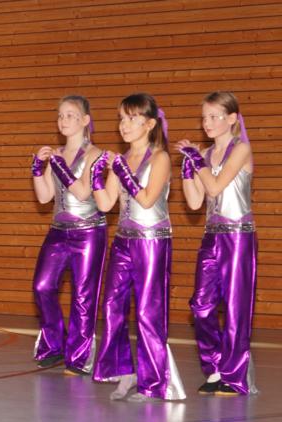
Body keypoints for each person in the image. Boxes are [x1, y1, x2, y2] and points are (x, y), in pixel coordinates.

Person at [91, 93, 186, 402]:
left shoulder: (159, 158)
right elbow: (106, 204)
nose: (124, 124)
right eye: (122, 118)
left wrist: (120, 170)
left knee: (147, 310)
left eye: (132, 118)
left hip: (152, 241)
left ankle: (153, 381)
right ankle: (125, 371)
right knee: (111, 306)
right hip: (123, 240)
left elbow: (146, 199)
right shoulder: (122, 160)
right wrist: (96, 176)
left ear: (150, 124)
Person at [177, 91, 258, 396]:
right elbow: (195, 201)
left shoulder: (241, 149)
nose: (207, 122)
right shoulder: (206, 154)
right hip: (212, 236)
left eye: (214, 116)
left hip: (238, 235)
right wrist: (188, 169)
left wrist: (197, 161)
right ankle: (214, 368)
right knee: (200, 305)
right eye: (204, 117)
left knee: (236, 307)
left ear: (232, 118)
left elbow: (216, 186)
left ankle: (235, 376)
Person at [29, 95, 107, 375]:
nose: (64, 120)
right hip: (58, 231)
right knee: (42, 286)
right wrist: (37, 169)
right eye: (60, 115)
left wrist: (59, 166)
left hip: (88, 232)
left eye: (71, 115)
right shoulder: (56, 155)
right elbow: (44, 197)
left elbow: (84, 193)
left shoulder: (95, 154)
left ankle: (80, 356)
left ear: (85, 120)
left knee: (83, 295)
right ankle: (54, 345)